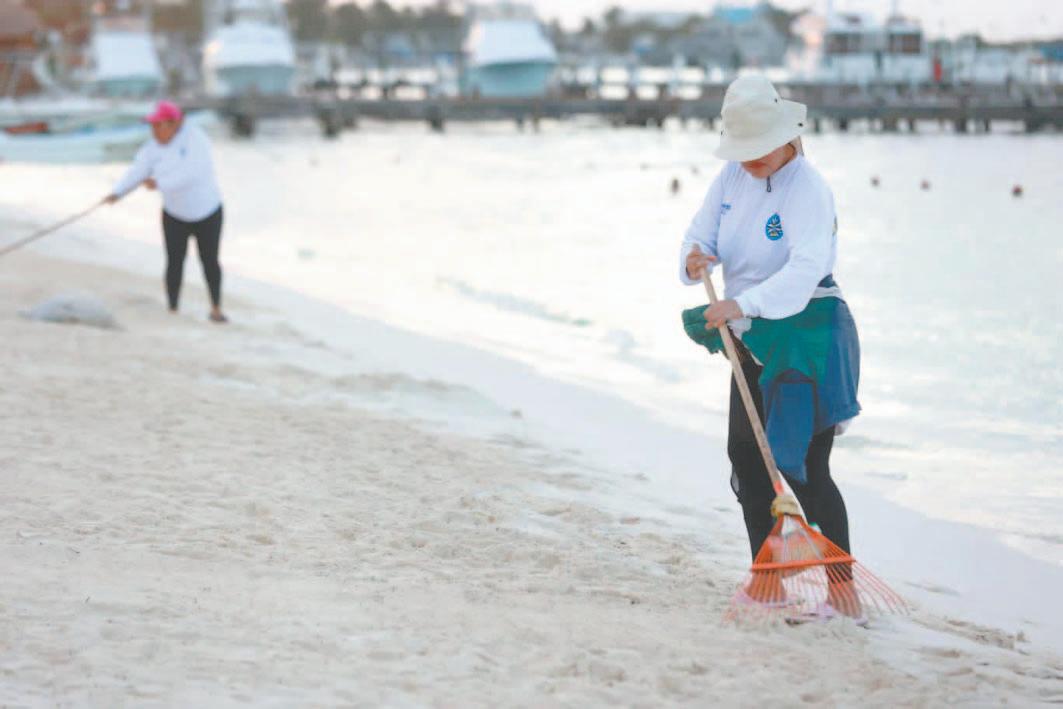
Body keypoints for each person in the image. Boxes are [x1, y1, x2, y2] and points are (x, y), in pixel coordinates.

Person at [679, 76, 862, 612]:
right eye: (743, 148)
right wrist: (694, 258)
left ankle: (843, 591)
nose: (751, 157)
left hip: (808, 333)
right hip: (751, 336)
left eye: (760, 146)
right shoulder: (730, 178)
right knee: (745, 454)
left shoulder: (809, 188)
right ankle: (769, 580)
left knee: (804, 464)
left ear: (786, 135)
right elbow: (700, 235)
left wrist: (743, 303)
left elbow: (806, 269)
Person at [105, 101, 228, 323]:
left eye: (158, 125)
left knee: (209, 261)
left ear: (174, 123)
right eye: (152, 126)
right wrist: (117, 193)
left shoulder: (196, 139)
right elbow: (138, 171)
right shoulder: (152, 148)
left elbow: (192, 173)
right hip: (174, 214)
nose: (154, 131)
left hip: (207, 212)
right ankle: (172, 309)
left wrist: (159, 183)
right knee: (174, 261)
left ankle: (216, 309)